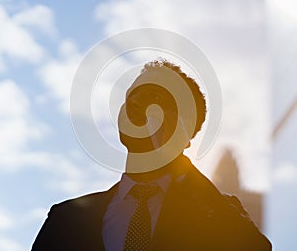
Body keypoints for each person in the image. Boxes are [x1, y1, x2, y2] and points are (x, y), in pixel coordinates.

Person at [32, 59, 272, 251]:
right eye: (132, 96)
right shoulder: (66, 219)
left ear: (185, 126)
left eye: (155, 97)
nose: (136, 103)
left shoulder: (216, 212)